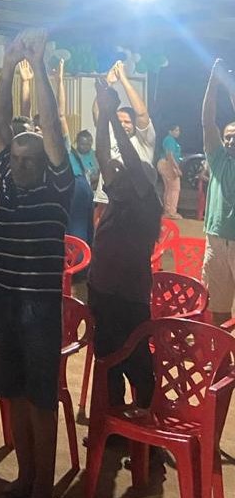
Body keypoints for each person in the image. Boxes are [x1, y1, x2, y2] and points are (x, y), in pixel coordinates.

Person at [0, 29, 74, 498]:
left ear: (45, 163)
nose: (18, 164)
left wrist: (36, 67)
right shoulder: (6, 180)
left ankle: (43, 490)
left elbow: (52, 127)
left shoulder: (58, 187)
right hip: (1, 300)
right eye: (15, 157)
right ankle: (23, 479)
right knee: (12, 392)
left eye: (28, 159)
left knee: (40, 398)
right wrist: (6, 64)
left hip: (38, 307)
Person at [88, 78, 160, 409]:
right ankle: (112, 421)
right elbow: (103, 154)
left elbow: (129, 158)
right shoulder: (118, 195)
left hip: (129, 294)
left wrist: (113, 116)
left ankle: (146, 421)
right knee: (107, 360)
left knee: (137, 360)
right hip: (103, 289)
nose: (114, 171)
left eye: (124, 172)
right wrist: (104, 113)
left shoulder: (147, 203)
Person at [92, 61, 157, 218]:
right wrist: (108, 84)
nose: (122, 125)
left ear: (135, 124)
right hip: (106, 199)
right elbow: (98, 111)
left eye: (127, 122)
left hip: (134, 201)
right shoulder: (110, 134)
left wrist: (124, 80)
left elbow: (142, 114)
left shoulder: (144, 140)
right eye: (119, 121)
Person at [200, 58, 235, 326]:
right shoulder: (218, 159)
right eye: (228, 137)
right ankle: (221, 350)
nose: (231, 140)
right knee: (218, 305)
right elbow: (207, 121)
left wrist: (230, 86)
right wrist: (213, 82)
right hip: (215, 240)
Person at [54, 58, 95, 244]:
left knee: (77, 234)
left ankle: (81, 260)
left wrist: (59, 81)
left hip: (76, 186)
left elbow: (61, 114)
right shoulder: (37, 148)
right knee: (75, 232)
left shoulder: (60, 144)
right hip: (71, 187)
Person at [157, 123, 183, 219]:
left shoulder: (170, 140)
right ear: (170, 131)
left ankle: (168, 211)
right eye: (176, 130)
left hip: (166, 163)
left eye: (178, 130)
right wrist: (176, 168)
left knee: (169, 189)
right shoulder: (170, 140)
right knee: (175, 188)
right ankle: (172, 212)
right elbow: (169, 155)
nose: (178, 132)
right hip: (168, 163)